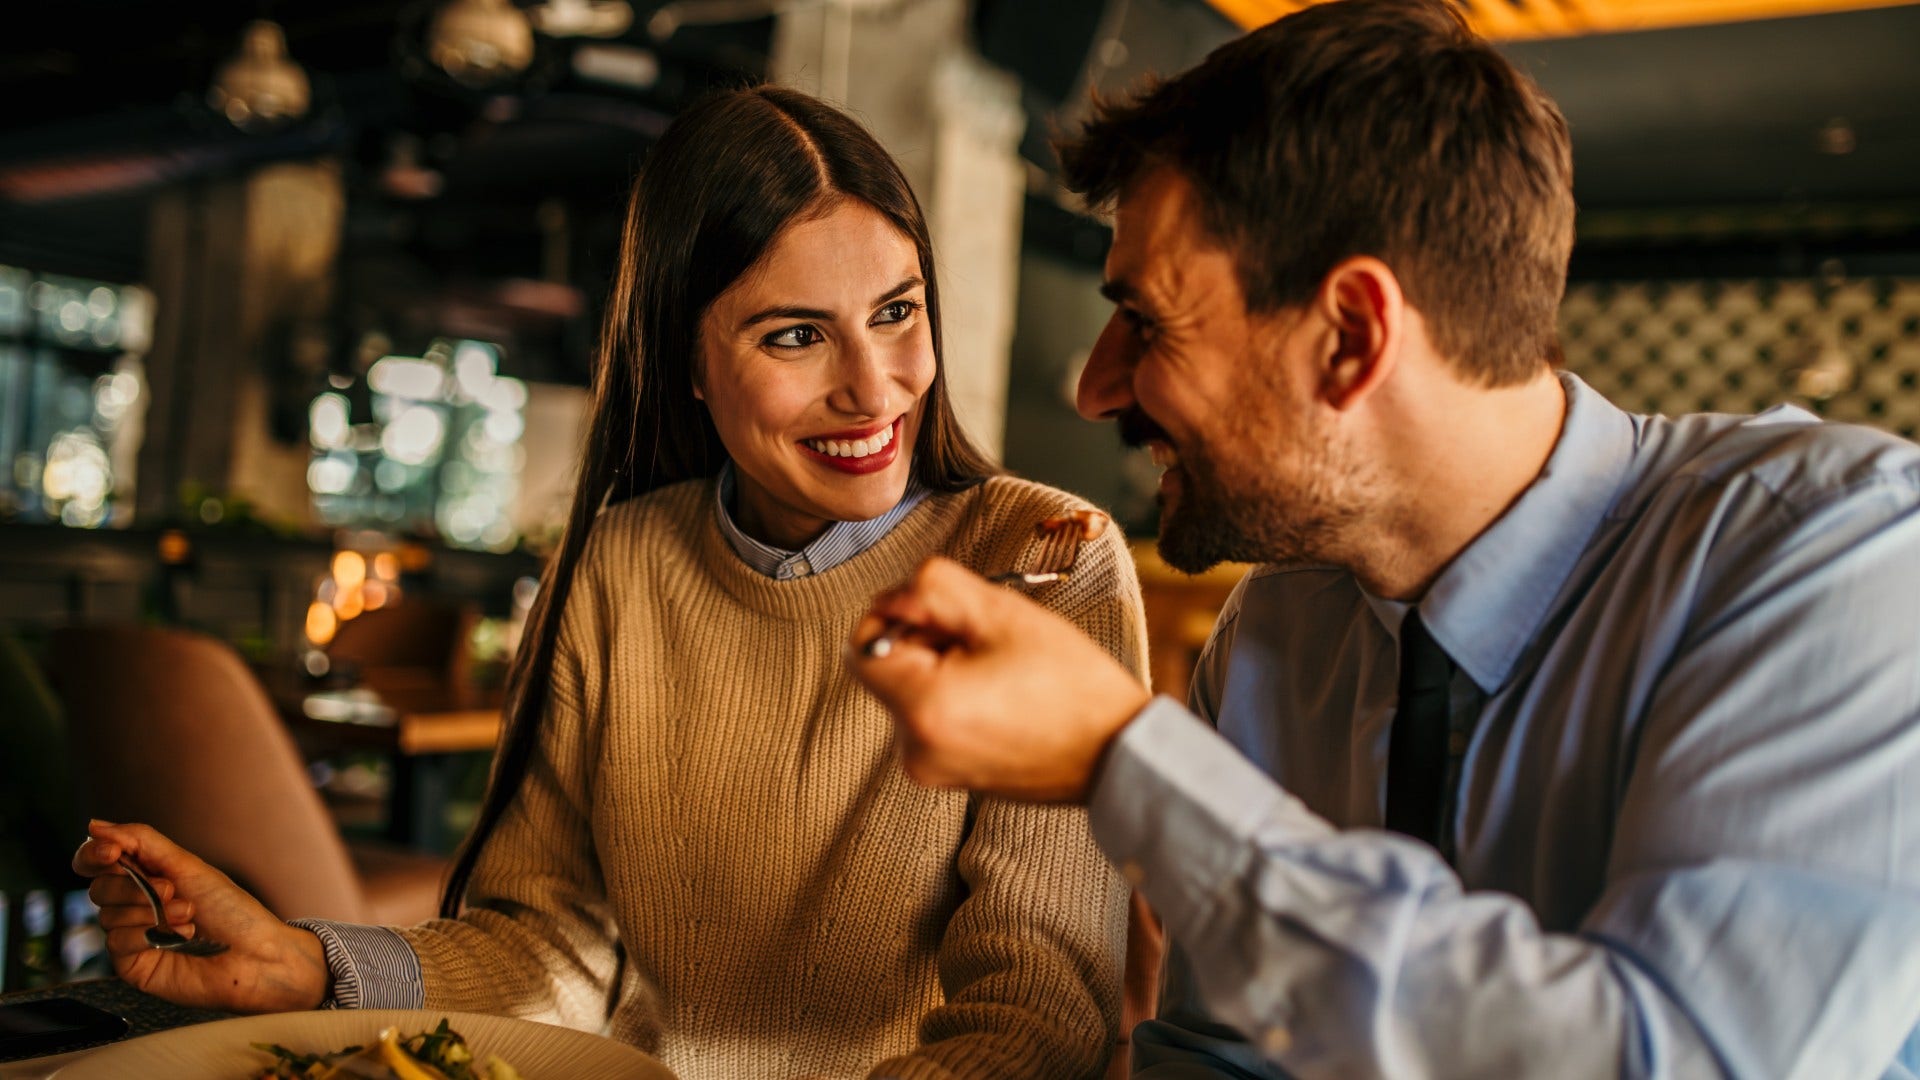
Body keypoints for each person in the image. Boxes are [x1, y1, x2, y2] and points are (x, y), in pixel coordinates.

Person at [847, 1, 1920, 1076]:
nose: (1093, 389)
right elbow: (1223, 1061)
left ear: (1353, 335)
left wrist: (1126, 766)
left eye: (1150, 323)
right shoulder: (1278, 628)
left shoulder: (1840, 555)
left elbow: (1672, 1058)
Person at [73, 85, 1147, 1080]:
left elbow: (1038, 1011)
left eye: (897, 313)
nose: (875, 390)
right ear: (685, 359)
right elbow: (555, 946)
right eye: (795, 336)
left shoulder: (1046, 555)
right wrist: (304, 964)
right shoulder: (619, 562)